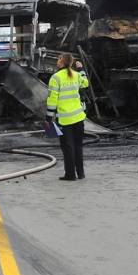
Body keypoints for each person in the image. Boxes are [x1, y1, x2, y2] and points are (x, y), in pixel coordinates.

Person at [46, 53, 90, 181]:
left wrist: (48, 118)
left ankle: (70, 175)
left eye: (59, 58)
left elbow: (52, 100)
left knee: (67, 147)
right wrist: (81, 69)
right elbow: (86, 83)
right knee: (78, 146)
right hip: (78, 117)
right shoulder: (76, 75)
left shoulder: (55, 78)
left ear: (62, 61)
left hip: (64, 119)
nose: (57, 60)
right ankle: (80, 173)